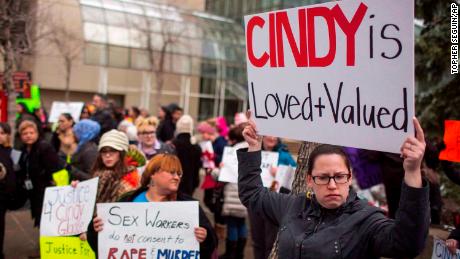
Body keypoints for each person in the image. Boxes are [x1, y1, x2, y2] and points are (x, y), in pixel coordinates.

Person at [238, 112, 429, 259]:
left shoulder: (365, 220)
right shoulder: (292, 206)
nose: (332, 185)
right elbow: (252, 194)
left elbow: (408, 244)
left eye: (339, 176)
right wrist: (255, 147)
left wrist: (412, 171)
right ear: (309, 179)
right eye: (323, 177)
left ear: (349, 176)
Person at [88, 154, 217, 258]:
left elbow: (211, 244)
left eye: (179, 174)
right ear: (152, 174)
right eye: (172, 172)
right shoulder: (127, 202)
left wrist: (205, 239)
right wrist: (96, 230)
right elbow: (102, 246)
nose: (177, 177)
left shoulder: (188, 207)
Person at [249, 135, 297, 259]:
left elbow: (295, 174)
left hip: (274, 201)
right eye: (269, 136)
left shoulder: (284, 155)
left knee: (271, 240)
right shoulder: (254, 152)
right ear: (262, 137)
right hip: (256, 199)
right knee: (257, 239)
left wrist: (280, 171)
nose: (271, 139)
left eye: (274, 137)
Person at [17, 120, 64, 228]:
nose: (28, 136)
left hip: (46, 190)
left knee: (47, 219)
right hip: (34, 190)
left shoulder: (44, 147)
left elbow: (53, 169)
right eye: (25, 133)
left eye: (31, 133)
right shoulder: (24, 149)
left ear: (37, 133)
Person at [220, 124, 249, 259]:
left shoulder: (232, 152)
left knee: (232, 224)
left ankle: (230, 254)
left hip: (232, 193)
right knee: (242, 223)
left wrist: (215, 171)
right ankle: (240, 253)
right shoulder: (253, 150)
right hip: (247, 193)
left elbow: (223, 175)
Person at [92, 130, 139, 203]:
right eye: (104, 151)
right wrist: (77, 188)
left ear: (121, 153)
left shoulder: (131, 177)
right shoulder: (97, 175)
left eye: (113, 151)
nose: (107, 155)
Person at [172, 115, 202, 196]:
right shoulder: (196, 147)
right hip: (190, 183)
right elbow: (198, 166)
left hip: (173, 182)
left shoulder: (173, 145)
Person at [0, 123, 15, 259]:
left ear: (8, 135)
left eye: (2, 133)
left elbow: (15, 175)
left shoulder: (13, 152)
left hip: (2, 195)